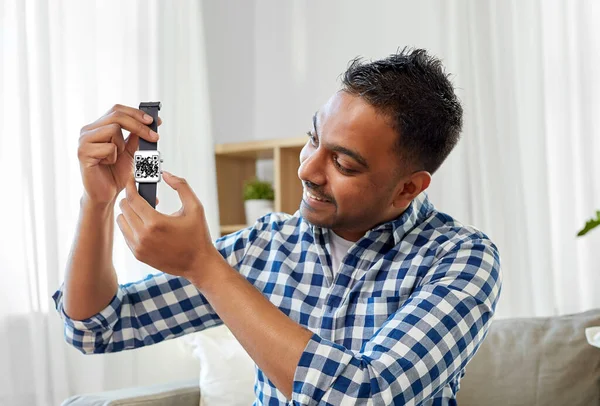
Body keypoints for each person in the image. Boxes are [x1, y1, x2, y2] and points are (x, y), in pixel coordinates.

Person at [53, 48, 502, 405]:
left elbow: (363, 396)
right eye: (313, 139)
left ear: (407, 189)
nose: (308, 169)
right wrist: (96, 202)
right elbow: (97, 327)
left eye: (343, 163)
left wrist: (206, 268)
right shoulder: (269, 245)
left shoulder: (460, 259)